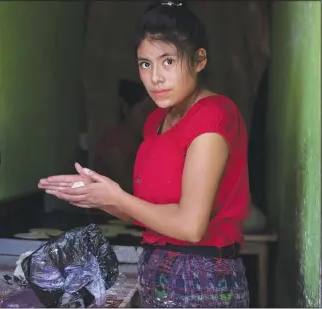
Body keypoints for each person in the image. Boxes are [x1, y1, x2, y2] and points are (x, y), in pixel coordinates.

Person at [38, 1, 250, 307]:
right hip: (158, 275)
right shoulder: (156, 122)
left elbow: (190, 226)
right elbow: (151, 213)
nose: (155, 78)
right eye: (145, 64)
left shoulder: (213, 116)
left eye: (168, 61)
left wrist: (119, 197)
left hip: (202, 282)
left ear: (199, 60)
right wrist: (99, 196)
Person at [93, 79, 155, 194]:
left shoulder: (144, 142)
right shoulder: (114, 146)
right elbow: (128, 190)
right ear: (126, 108)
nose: (148, 118)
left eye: (152, 113)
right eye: (144, 111)